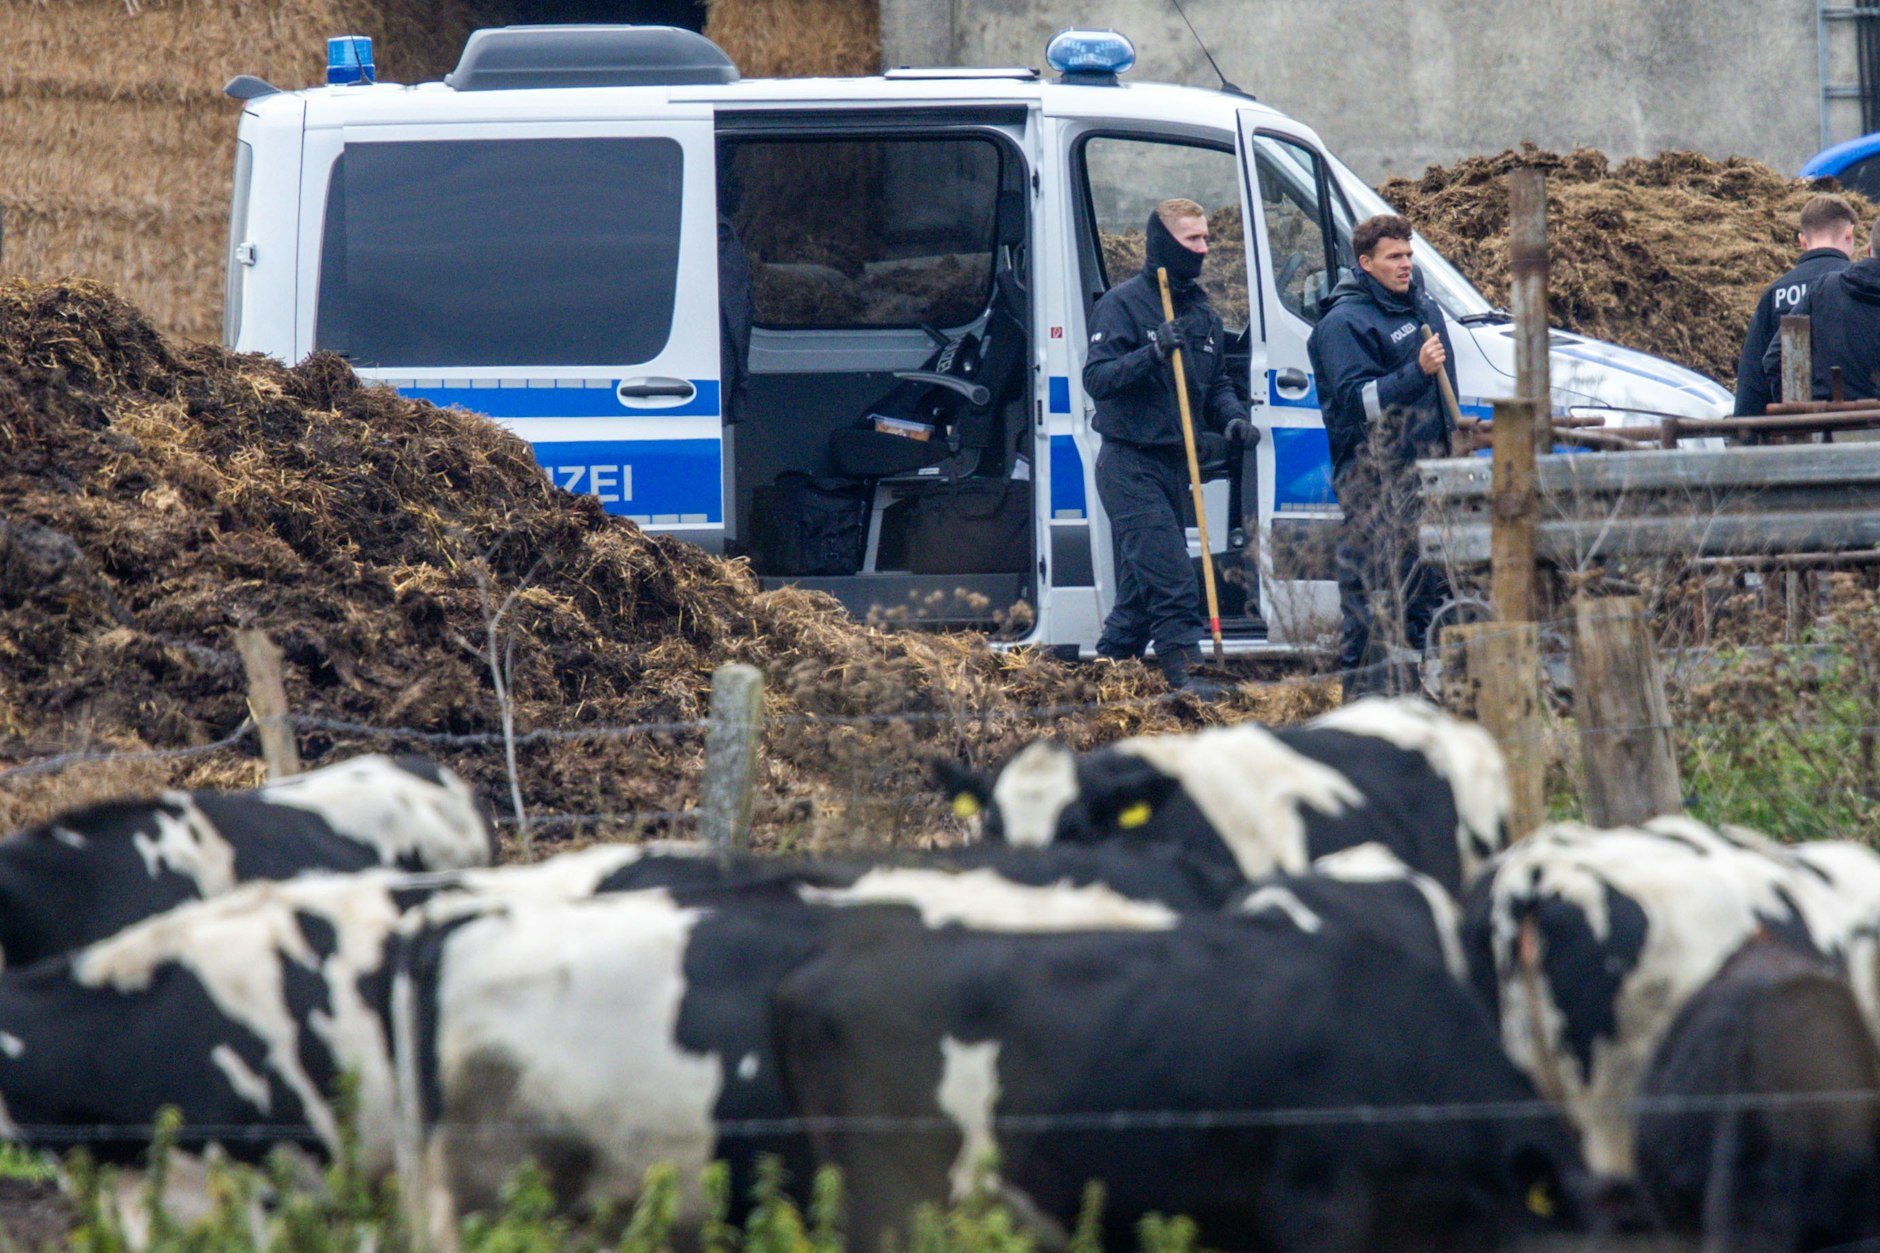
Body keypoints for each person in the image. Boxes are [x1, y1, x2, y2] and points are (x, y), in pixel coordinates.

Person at [1083, 198, 1252, 692]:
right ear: (1163, 243)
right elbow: (1097, 378)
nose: (1202, 248)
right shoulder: (1121, 304)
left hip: (1176, 467)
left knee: (1140, 596)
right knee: (1174, 580)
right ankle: (1191, 684)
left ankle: (1099, 684)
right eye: (1191, 240)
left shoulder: (1202, 312)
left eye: (1205, 239)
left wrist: (1234, 419)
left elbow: (1216, 382)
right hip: (1128, 464)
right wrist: (1153, 351)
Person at [1306, 213, 1457, 700]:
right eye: (1395, 256)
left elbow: (1440, 399)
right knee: (1373, 605)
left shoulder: (1422, 309)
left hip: (1426, 478)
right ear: (1366, 263)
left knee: (1423, 600)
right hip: (1374, 483)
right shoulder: (1341, 325)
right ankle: (1360, 711)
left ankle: (1413, 707)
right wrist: (1415, 369)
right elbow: (1358, 404)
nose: (1406, 264)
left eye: (1410, 255)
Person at [1734, 193, 1856, 415]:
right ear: (1849, 233)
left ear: (1802, 240)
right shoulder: (1859, 286)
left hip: (1796, 427)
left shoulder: (1775, 293)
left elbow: (1752, 380)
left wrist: (1747, 441)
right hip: (1862, 422)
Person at [1762, 209, 1880, 405]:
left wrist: (1803, 412)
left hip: (1826, 428)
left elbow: (1775, 359)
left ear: (1868, 250)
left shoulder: (1823, 290)